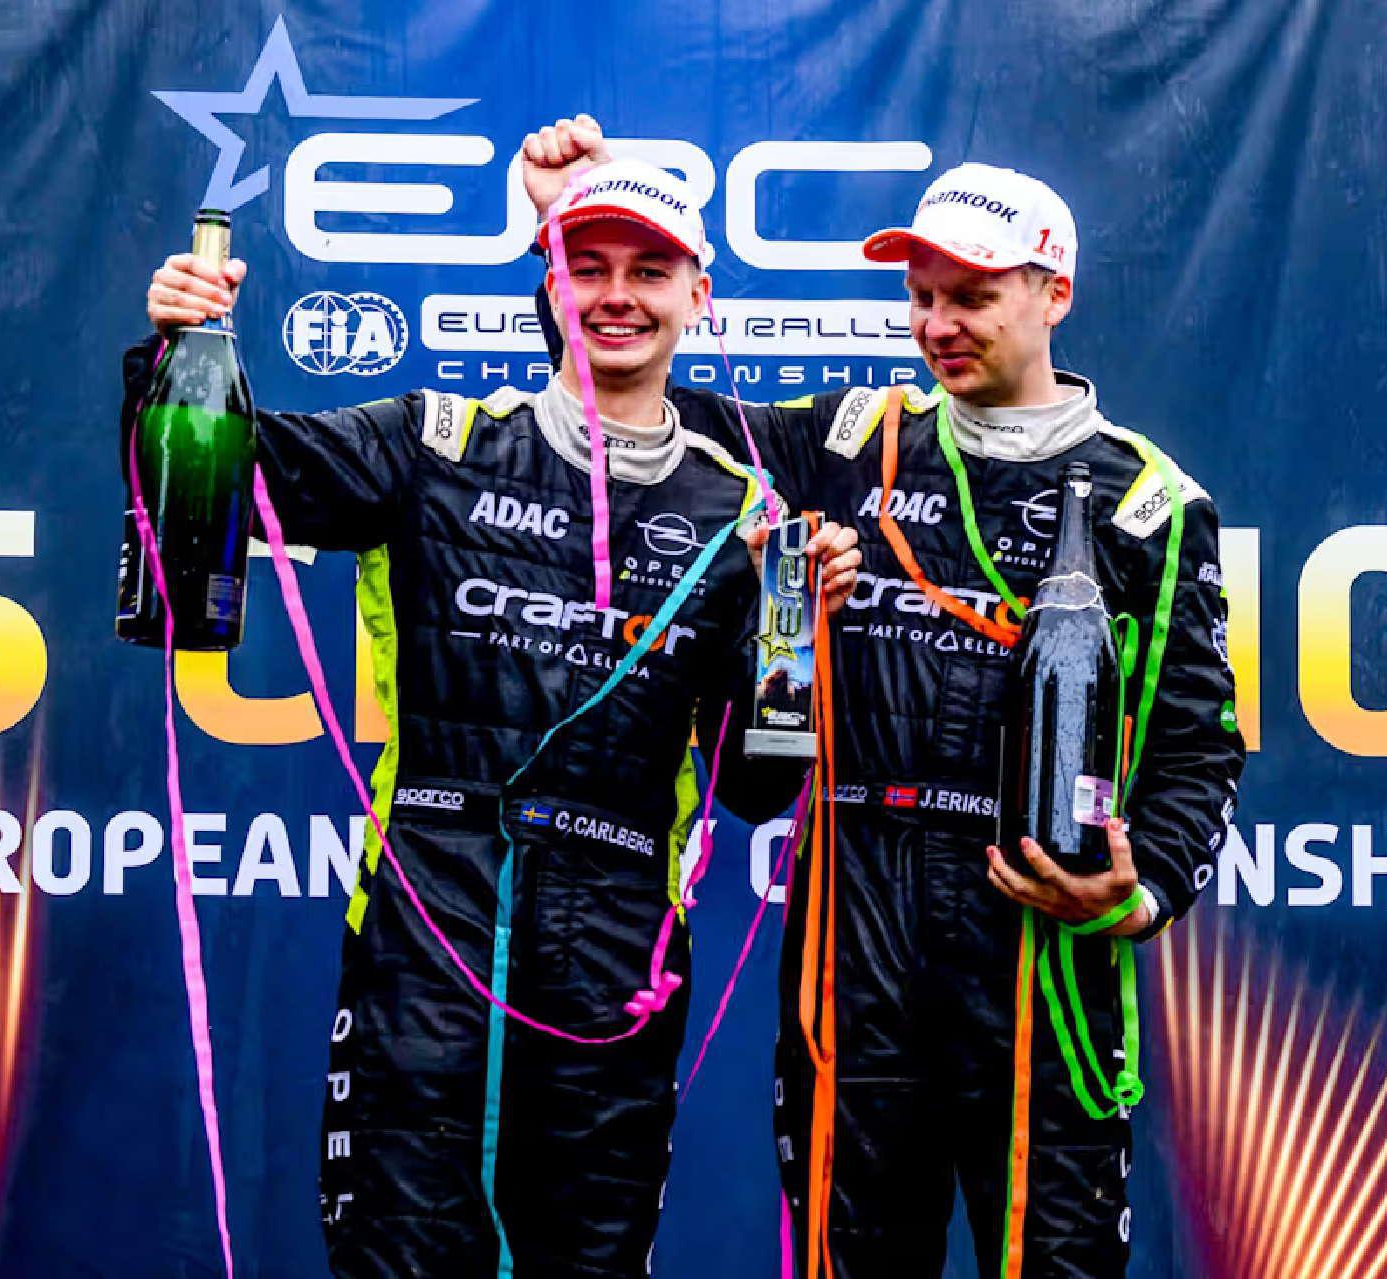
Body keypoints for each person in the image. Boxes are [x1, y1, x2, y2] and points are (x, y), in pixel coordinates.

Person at [523, 119, 1243, 1279]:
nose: (939, 324)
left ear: (1054, 293)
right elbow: (626, 409)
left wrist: (1144, 889)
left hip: (1038, 943)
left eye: (973, 297)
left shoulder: (1147, 502)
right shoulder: (850, 440)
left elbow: (1200, 745)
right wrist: (560, 235)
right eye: (922, 298)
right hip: (854, 932)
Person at [127, 159, 862, 1278]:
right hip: (431, 926)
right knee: (400, 1255)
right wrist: (172, 352)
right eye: (588, 266)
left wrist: (792, 643)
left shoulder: (746, 512)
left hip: (617, 948)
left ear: (697, 295)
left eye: (648, 271)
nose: (617, 295)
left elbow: (757, 788)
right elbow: (220, 478)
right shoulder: (435, 441)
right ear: (549, 285)